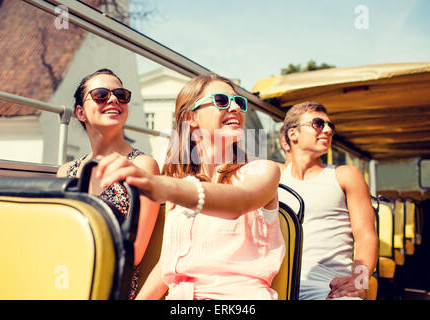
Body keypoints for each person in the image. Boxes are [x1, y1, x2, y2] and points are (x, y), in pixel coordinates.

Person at [95, 74, 285, 300]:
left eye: (239, 102)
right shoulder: (183, 187)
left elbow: (240, 201)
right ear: (190, 117)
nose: (235, 107)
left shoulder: (263, 170)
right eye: (222, 101)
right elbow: (169, 262)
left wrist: (162, 185)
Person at [56, 68, 161, 300]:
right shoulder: (66, 172)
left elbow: (133, 253)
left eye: (121, 95)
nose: (113, 99)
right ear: (80, 112)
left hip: (110, 285)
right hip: (64, 277)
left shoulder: (142, 166)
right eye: (101, 95)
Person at [278, 101, 378, 300]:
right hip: (274, 281)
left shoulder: (345, 175)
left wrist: (359, 282)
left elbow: (366, 236)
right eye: (318, 124)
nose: (327, 130)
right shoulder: (272, 175)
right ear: (293, 134)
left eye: (330, 126)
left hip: (327, 286)